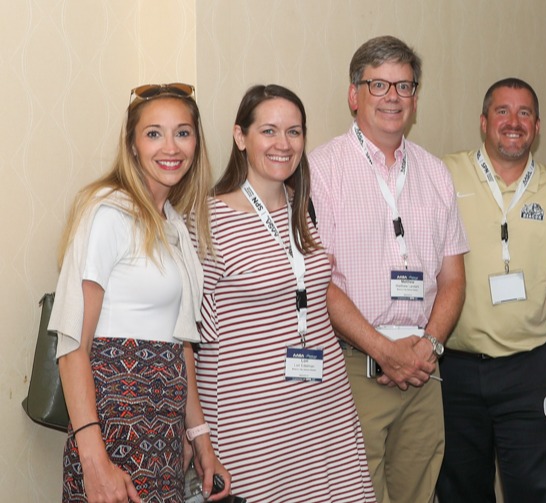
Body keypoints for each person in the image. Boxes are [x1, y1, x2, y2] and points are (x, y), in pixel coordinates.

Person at [49, 83, 230, 502]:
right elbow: (72, 344)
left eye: (182, 132)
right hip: (113, 431)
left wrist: (201, 442)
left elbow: (179, 343)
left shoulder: (173, 224)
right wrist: (95, 462)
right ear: (131, 144)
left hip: (163, 434)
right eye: (154, 133)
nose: (171, 147)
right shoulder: (107, 212)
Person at [308, 36, 468, 503]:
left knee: (419, 492)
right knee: (358, 494)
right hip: (355, 365)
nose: (392, 97)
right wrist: (383, 349)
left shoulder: (436, 173)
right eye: (378, 85)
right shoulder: (322, 170)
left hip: (424, 367)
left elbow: (453, 279)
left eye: (403, 85)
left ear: (416, 98)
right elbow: (322, 282)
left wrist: (428, 347)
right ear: (354, 95)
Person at [196, 84, 375, 502]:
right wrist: (198, 434)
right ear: (241, 137)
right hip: (253, 420)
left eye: (294, 132)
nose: (283, 144)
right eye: (269, 131)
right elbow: (192, 338)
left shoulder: (301, 208)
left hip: (322, 407)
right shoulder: (206, 219)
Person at [436, 77, 546, 503]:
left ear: (537, 126)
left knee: (540, 492)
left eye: (524, 113)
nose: (513, 122)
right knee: (461, 493)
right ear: (484, 122)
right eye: (502, 111)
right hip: (454, 371)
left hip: (530, 375)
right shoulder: (443, 175)